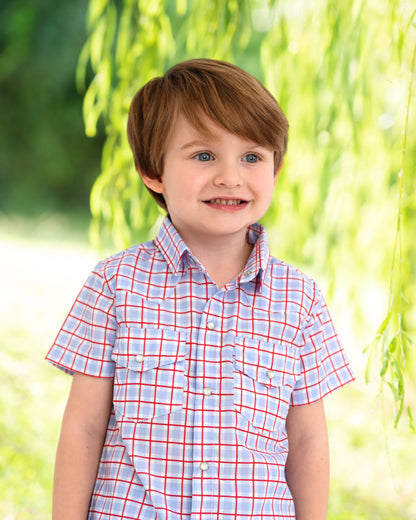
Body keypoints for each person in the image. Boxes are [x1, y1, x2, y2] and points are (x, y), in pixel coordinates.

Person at [46, 58, 355, 520]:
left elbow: (308, 438)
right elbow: (84, 428)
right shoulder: (115, 284)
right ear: (154, 171)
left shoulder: (300, 299)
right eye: (204, 155)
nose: (230, 177)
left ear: (275, 169)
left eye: (252, 157)